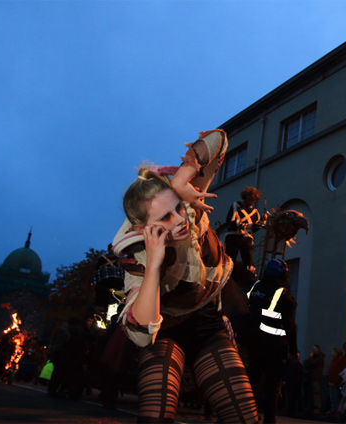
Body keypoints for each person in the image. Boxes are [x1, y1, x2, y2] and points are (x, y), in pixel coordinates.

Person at [111, 129, 257, 422]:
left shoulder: (189, 206)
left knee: (243, 415)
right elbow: (141, 333)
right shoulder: (138, 257)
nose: (179, 220)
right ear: (143, 229)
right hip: (166, 331)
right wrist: (153, 265)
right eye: (164, 218)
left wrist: (181, 179)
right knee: (156, 414)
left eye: (176, 207)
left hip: (207, 325)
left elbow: (220, 139)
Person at [245, 259, 299, 424]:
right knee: (272, 386)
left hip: (253, 342)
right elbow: (290, 325)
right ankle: (269, 420)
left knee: (253, 382)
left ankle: (249, 416)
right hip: (274, 345)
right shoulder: (283, 294)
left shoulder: (255, 287)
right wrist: (293, 348)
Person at [224, 186, 262, 275]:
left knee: (248, 258)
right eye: (250, 199)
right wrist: (239, 224)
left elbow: (254, 229)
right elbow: (229, 220)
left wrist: (261, 222)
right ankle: (227, 274)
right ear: (245, 197)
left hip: (246, 238)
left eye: (253, 200)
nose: (251, 202)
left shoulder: (255, 212)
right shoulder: (236, 205)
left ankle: (249, 274)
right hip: (233, 236)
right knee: (230, 257)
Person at [303, 345, 326, 416]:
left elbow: (311, 363)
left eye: (314, 349)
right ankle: (310, 408)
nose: (313, 350)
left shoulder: (319, 358)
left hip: (315, 378)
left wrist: (310, 358)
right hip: (310, 378)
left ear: (318, 350)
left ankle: (317, 409)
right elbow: (305, 363)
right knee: (310, 394)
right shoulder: (315, 358)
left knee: (316, 394)